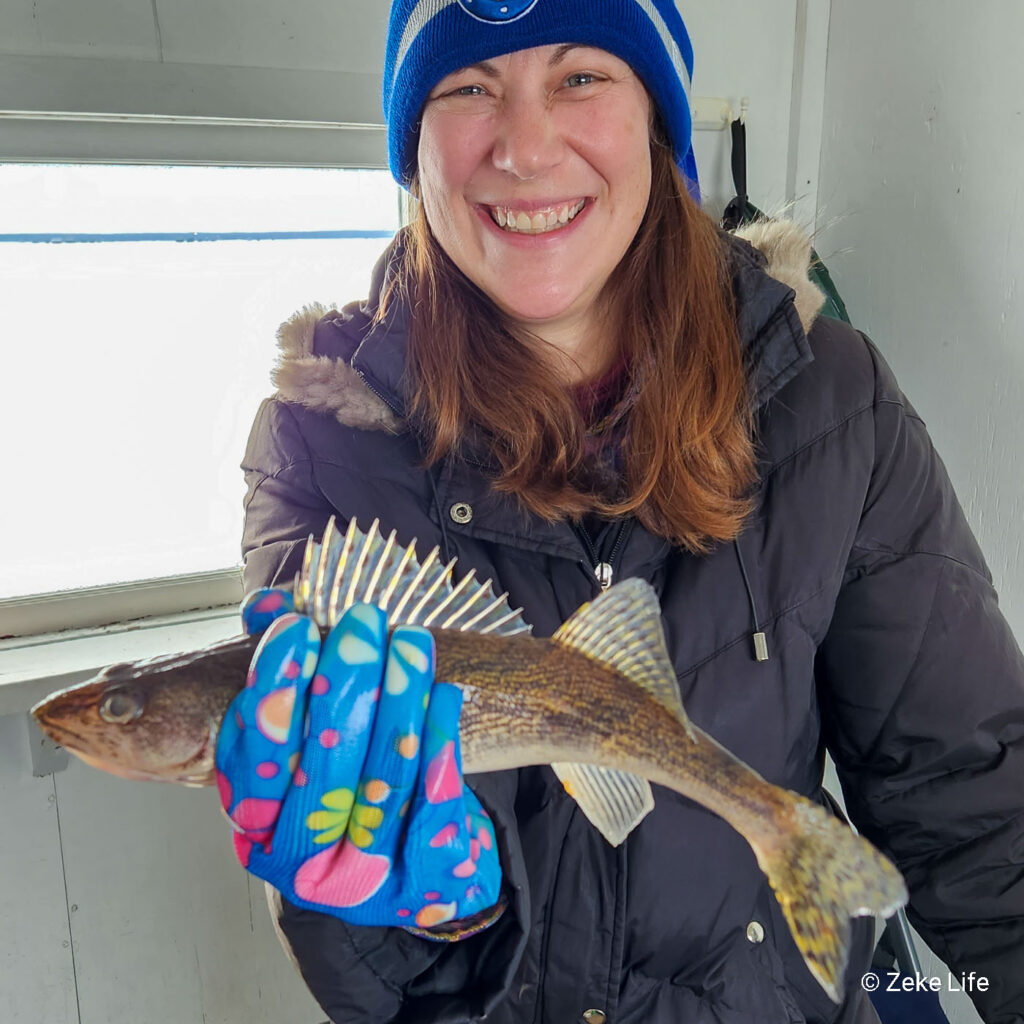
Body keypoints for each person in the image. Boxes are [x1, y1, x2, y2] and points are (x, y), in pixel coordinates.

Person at [221, 1, 1024, 1021]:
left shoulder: (830, 395)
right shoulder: (318, 441)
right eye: (467, 87)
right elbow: (371, 951)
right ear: (411, 147)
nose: (523, 145)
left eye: (581, 76)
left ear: (654, 117)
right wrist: (413, 919)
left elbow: (979, 807)